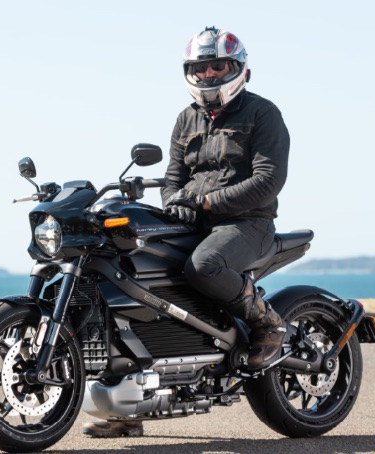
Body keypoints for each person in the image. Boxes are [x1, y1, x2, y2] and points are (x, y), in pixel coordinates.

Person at [83, 26, 290, 438]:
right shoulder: (186, 118)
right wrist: (175, 201)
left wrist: (210, 202)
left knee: (204, 266)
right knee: (135, 270)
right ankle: (133, 401)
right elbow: (173, 179)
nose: (210, 74)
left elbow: (268, 180)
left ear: (240, 71)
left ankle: (268, 323)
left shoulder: (263, 114)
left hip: (247, 223)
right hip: (193, 221)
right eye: (201, 67)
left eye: (219, 66)